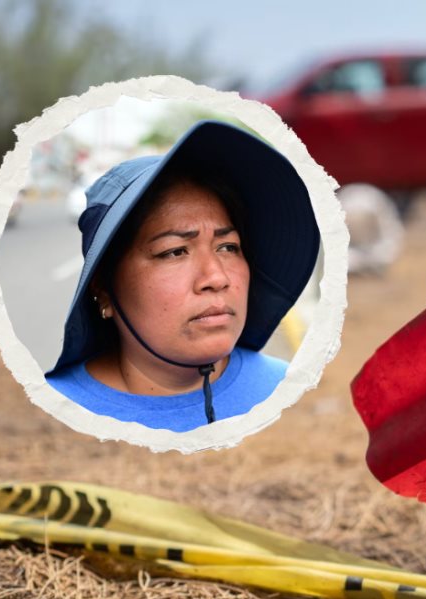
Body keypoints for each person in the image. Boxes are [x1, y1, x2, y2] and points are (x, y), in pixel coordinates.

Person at [45, 120, 320, 432]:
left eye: (228, 247)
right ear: (104, 289)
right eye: (175, 251)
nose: (216, 277)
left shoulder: (291, 395)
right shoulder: (51, 415)